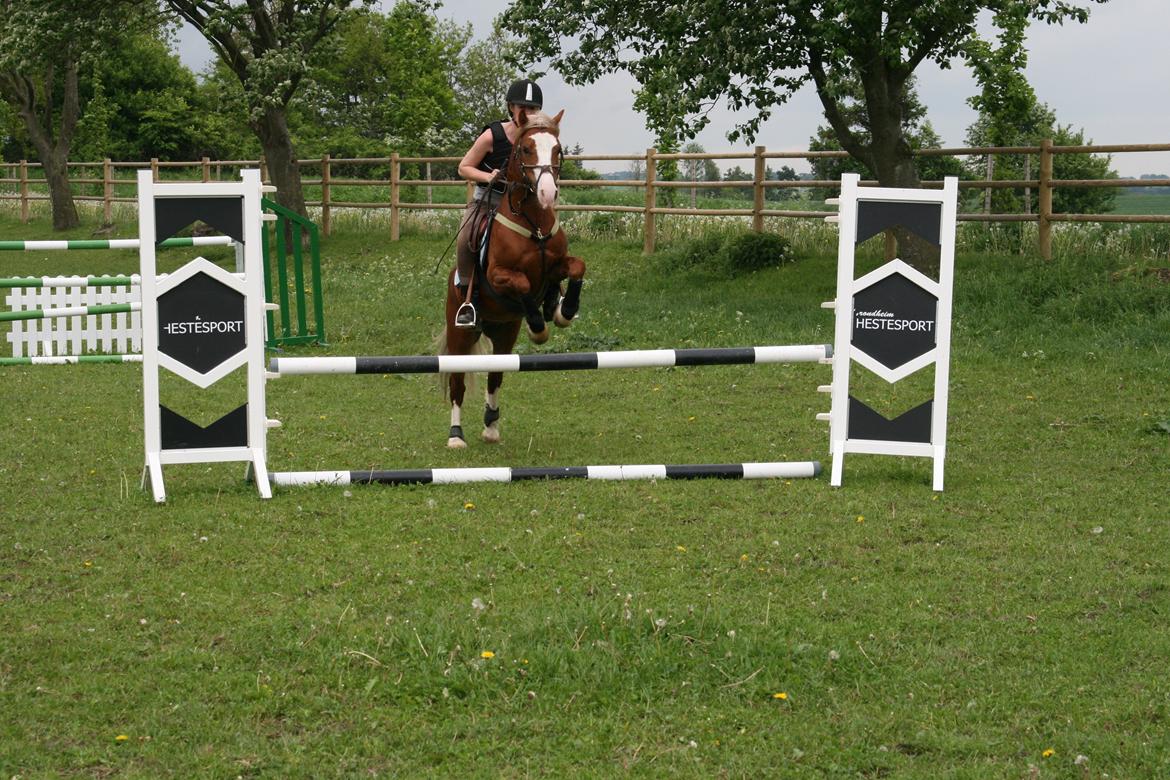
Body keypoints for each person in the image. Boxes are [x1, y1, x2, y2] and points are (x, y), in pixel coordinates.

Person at [451, 78, 544, 329]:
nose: (529, 112)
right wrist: (488, 176)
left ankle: (555, 292)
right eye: (522, 107)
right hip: (487, 201)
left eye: (534, 108)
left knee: (550, 231)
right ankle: (466, 299)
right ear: (511, 108)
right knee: (465, 238)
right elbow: (464, 167)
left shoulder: (536, 139)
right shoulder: (493, 135)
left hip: (521, 206)